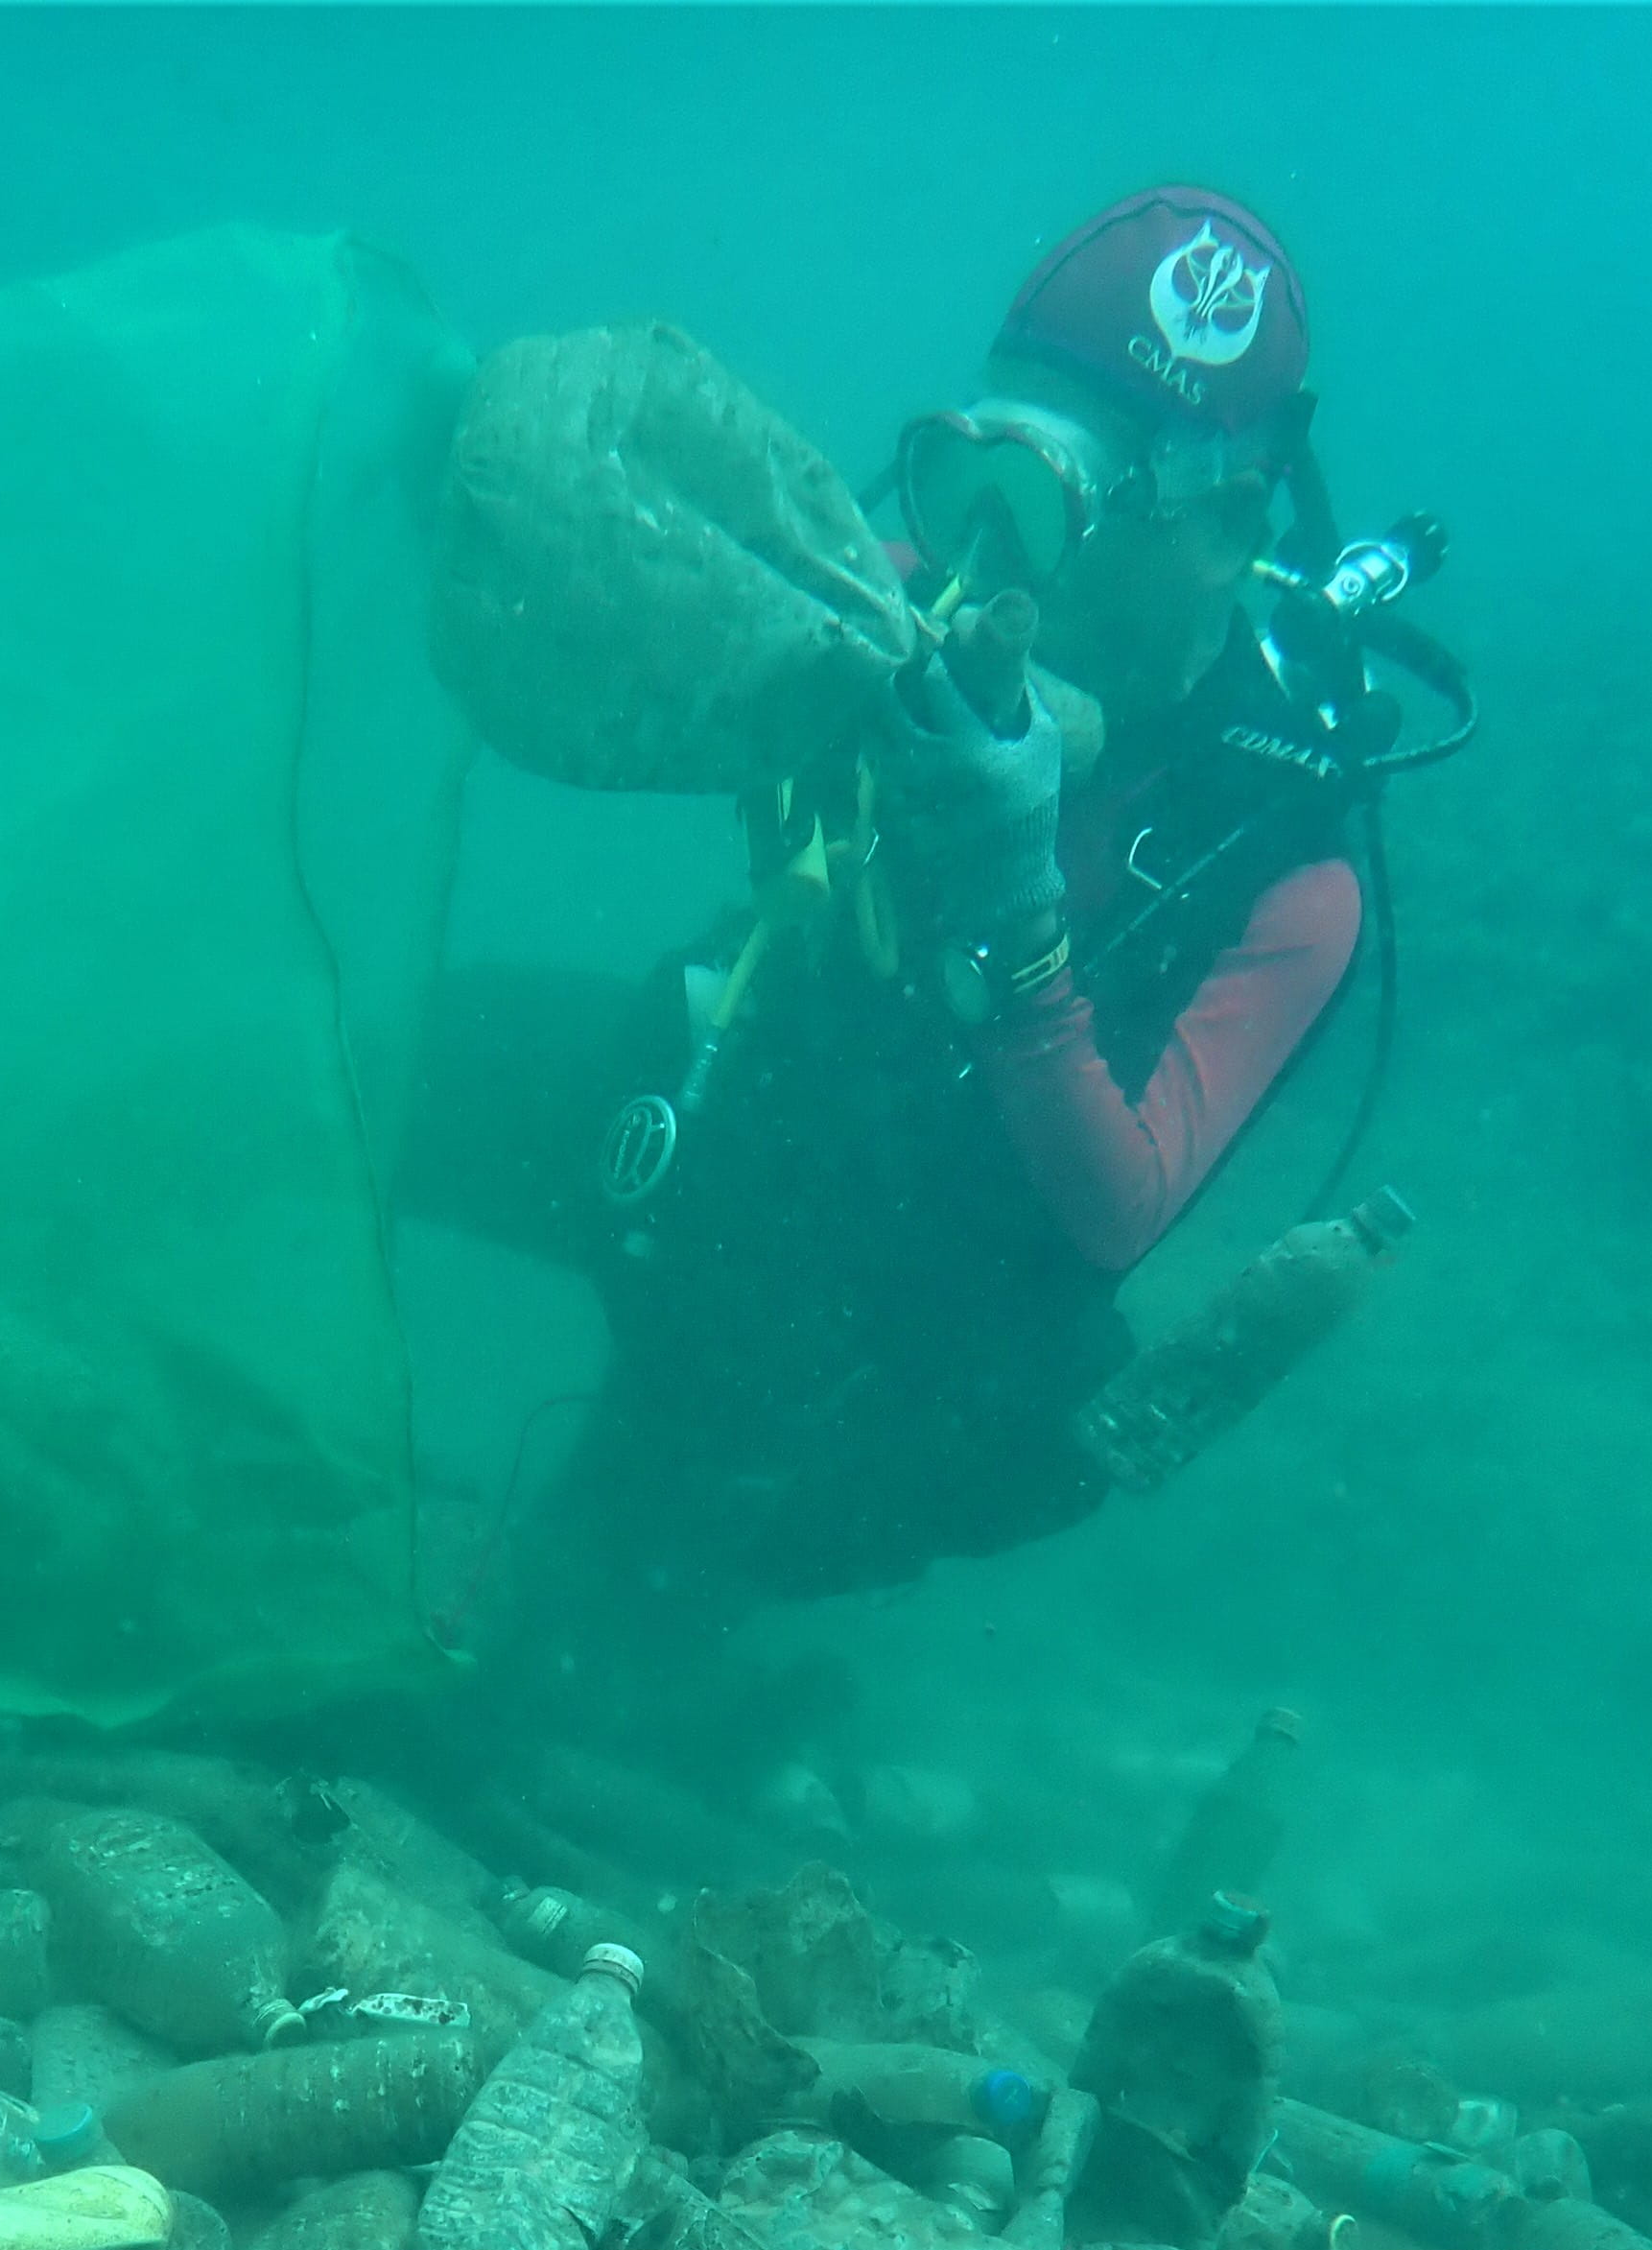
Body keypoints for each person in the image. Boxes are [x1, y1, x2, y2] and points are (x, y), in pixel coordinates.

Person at [403, 190, 1387, 1762]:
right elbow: (668, 557)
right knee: (343, 1072)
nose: (1006, 538)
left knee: (545, 1672)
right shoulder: (913, 580)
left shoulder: (1286, 866)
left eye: (1081, 488)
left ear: (1229, 518)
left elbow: (1122, 1202)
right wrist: (480, 470)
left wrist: (1011, 903)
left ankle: (685, 1675)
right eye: (989, 455)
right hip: (722, 1118)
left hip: (897, 1361)